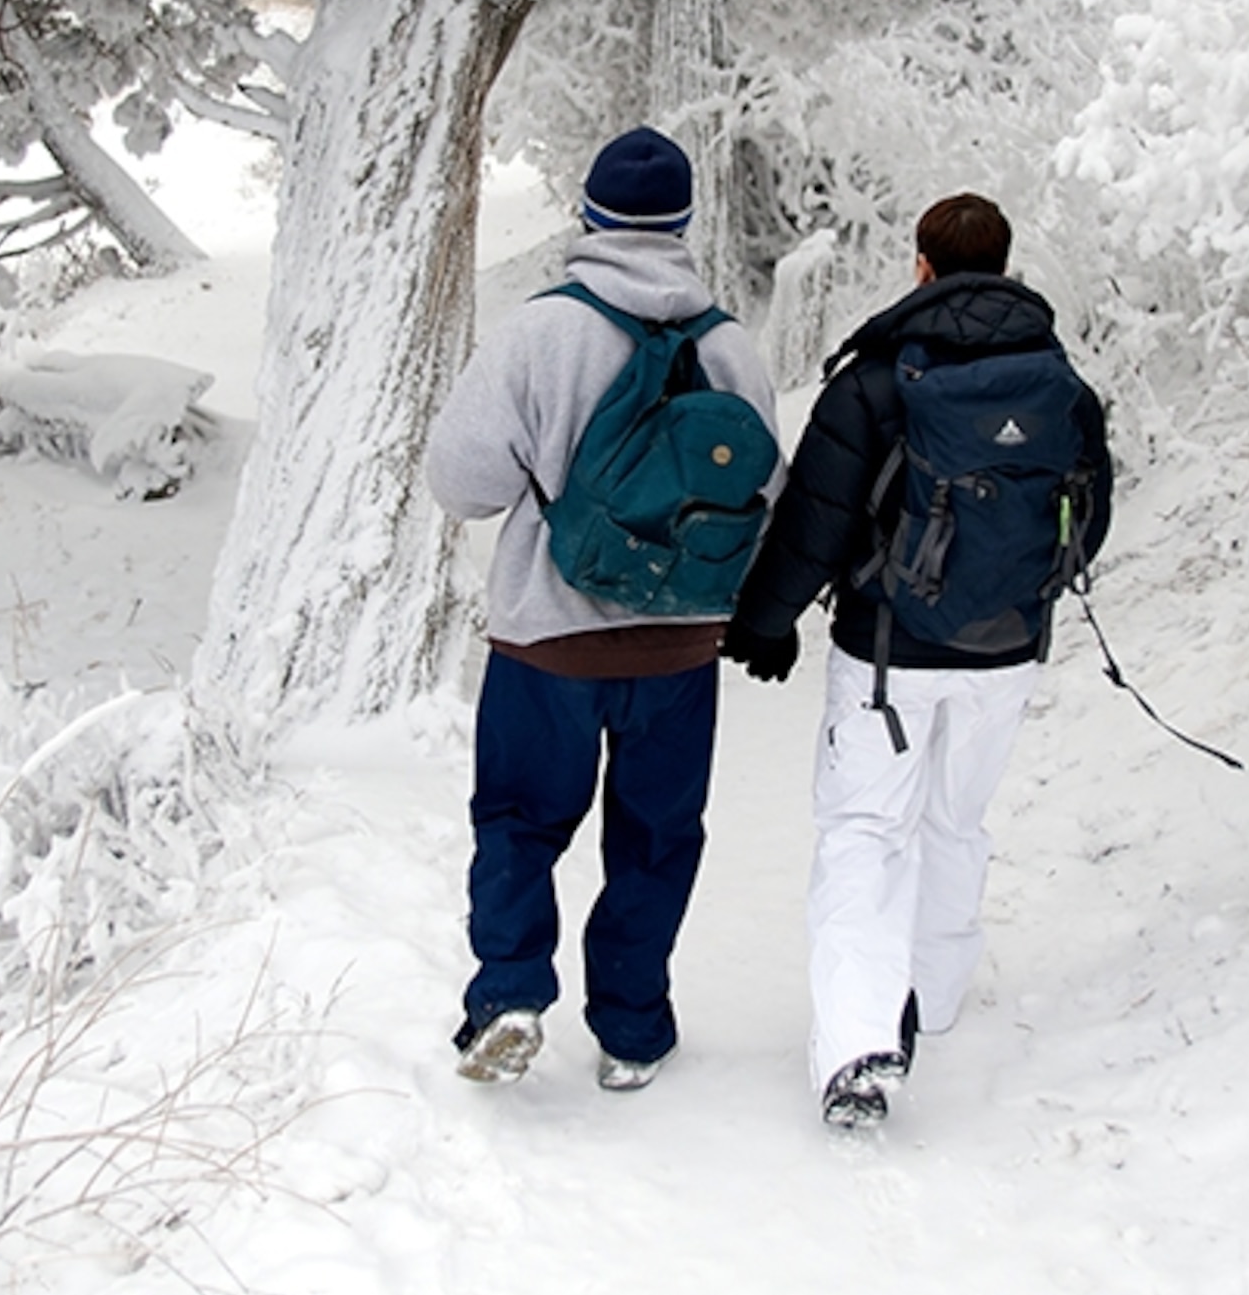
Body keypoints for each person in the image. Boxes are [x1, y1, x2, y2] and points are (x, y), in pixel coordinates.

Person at [724, 193, 1113, 1129]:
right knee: (956, 821)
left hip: (889, 656)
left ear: (921, 265)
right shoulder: (1059, 382)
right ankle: (933, 1000)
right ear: (1008, 264)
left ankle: (860, 1043)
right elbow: (1088, 516)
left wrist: (765, 622)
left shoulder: (876, 381)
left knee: (865, 829)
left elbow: (814, 518)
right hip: (1007, 653)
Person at [424, 126, 782, 1093]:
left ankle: (507, 995)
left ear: (588, 218)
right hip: (679, 649)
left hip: (549, 644)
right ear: (682, 226)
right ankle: (630, 1028)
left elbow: (459, 482)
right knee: (658, 834)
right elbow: (764, 486)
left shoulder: (542, 330)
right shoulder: (730, 344)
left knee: (518, 819)